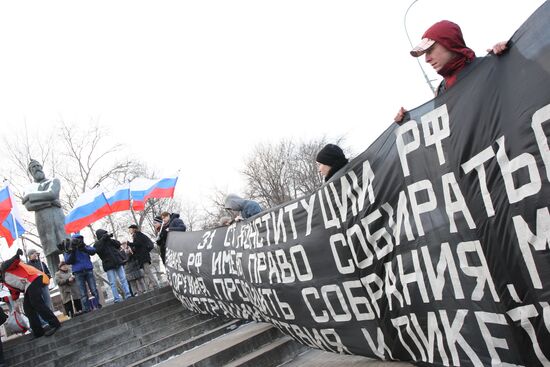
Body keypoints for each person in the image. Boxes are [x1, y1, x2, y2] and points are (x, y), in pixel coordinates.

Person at [394, 20, 508, 122]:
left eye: (430, 50)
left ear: (449, 43)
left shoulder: (489, 66)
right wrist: (407, 124)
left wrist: (511, 56)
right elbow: (446, 138)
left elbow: (520, 93)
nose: (427, 59)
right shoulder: (441, 91)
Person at [0, 249, 61, 338]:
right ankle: (38, 331)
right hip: (28, 286)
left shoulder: (5, 268)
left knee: (36, 302)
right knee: (27, 308)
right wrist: (9, 301)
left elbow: (14, 261)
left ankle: (55, 323)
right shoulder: (6, 282)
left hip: (33, 278)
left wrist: (17, 254)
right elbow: (14, 293)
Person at [22, 159, 67, 273]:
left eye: (38, 165)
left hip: (58, 219)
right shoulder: (29, 187)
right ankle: (58, 280)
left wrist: (31, 197)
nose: (36, 167)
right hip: (42, 222)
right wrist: (50, 202)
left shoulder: (54, 181)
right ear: (30, 171)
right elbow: (28, 206)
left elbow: (53, 193)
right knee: (50, 252)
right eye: (33, 167)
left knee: (67, 246)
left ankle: (72, 274)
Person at [63, 234, 102, 312]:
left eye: (79, 239)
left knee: (94, 289)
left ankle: (98, 305)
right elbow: (68, 261)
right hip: (78, 272)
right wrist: (73, 250)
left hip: (88, 270)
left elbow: (93, 251)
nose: (78, 241)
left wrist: (83, 248)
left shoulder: (84, 246)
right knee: (82, 292)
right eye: (76, 240)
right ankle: (87, 309)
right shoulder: (69, 249)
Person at [94, 229, 132, 303]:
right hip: (108, 265)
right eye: (104, 234)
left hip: (117, 262)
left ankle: (128, 294)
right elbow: (97, 250)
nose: (106, 235)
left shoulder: (110, 241)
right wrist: (103, 239)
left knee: (123, 279)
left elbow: (118, 244)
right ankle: (116, 298)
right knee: (112, 283)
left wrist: (109, 239)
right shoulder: (98, 244)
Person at [126, 224, 159, 291]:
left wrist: (130, 244)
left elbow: (139, 244)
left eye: (130, 229)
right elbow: (138, 247)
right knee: (146, 272)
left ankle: (155, 285)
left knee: (147, 271)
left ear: (133, 229)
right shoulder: (136, 235)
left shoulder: (138, 234)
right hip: (142, 257)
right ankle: (151, 286)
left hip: (144, 256)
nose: (129, 230)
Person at [26, 249, 54, 317]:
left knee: (48, 302)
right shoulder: (28, 266)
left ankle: (51, 316)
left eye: (35, 253)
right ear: (29, 256)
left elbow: (48, 273)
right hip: (35, 287)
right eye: (32, 253)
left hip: (44, 285)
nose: (34, 254)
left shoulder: (42, 263)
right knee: (40, 303)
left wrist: (47, 277)